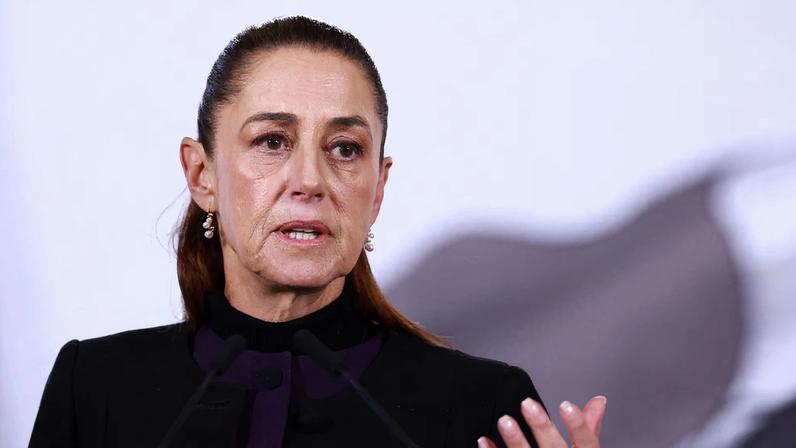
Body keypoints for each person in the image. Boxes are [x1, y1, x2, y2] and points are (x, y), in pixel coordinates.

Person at [29, 16, 606, 448]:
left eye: (345, 149)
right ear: (201, 175)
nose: (310, 180)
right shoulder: (95, 389)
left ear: (377, 188)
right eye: (272, 141)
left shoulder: (483, 406)